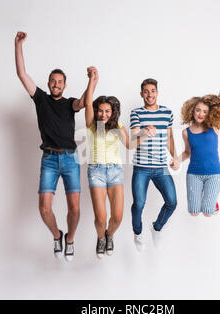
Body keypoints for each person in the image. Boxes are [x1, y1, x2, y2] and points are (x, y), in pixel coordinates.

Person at [14, 31, 85, 261]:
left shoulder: (69, 103)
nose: (56, 84)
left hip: (71, 159)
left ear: (65, 85)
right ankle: (57, 235)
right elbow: (22, 74)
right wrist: (18, 45)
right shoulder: (41, 99)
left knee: (75, 208)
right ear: (48, 84)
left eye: (60, 81)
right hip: (49, 160)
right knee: (44, 208)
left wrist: (92, 80)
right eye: (53, 81)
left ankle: (70, 240)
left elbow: (83, 102)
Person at [84, 67, 155, 258]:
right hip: (96, 171)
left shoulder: (117, 126)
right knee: (100, 217)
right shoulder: (93, 124)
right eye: (101, 111)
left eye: (107, 111)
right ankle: (101, 238)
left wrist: (144, 134)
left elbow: (130, 145)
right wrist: (92, 80)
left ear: (112, 112)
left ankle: (109, 235)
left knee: (117, 217)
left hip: (115, 171)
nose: (104, 114)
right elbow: (88, 104)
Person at [130, 78, 179, 251]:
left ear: (157, 92)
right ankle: (137, 232)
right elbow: (134, 137)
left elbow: (170, 137)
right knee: (139, 204)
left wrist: (175, 157)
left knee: (172, 202)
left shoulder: (167, 113)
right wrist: (144, 131)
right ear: (141, 94)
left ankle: (157, 227)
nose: (149, 94)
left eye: (152, 91)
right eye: (146, 91)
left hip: (161, 168)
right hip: (141, 168)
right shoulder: (136, 113)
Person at [178, 62, 220, 217]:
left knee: (208, 212)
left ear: (209, 113)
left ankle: (212, 201)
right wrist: (177, 160)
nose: (201, 114)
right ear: (192, 111)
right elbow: (187, 152)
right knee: (194, 212)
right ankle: (204, 195)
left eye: (204, 111)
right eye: (198, 110)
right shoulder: (186, 132)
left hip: (214, 174)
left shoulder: (214, 127)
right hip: (194, 174)